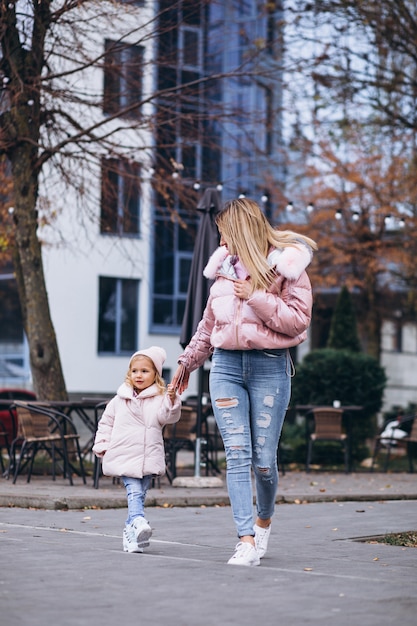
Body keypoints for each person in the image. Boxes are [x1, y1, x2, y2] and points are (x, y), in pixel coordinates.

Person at [172, 197, 317, 566]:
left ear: (240, 229)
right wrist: (187, 363)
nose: (221, 240)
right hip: (225, 369)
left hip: (270, 367)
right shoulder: (221, 269)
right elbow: (209, 326)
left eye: (224, 231)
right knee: (237, 454)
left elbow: (298, 321)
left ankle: (263, 522)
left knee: (264, 461)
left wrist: (255, 296)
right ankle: (246, 540)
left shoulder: (287, 266)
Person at [93, 346, 181, 553]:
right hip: (124, 453)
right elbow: (106, 423)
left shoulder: (160, 399)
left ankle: (130, 536)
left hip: (148, 455)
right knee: (133, 491)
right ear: (129, 373)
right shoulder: (119, 399)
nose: (139, 375)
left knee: (140, 493)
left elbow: (167, 417)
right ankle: (139, 521)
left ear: (155, 375)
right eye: (135, 371)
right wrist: (103, 446)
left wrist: (171, 400)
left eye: (145, 371)